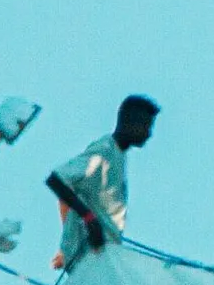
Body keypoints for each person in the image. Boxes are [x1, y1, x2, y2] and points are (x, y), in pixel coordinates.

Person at [48, 94, 159, 269]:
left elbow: (69, 195)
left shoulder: (119, 156)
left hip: (103, 256)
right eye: (146, 126)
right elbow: (56, 180)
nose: (149, 134)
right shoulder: (105, 150)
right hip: (88, 257)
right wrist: (88, 218)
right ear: (131, 123)